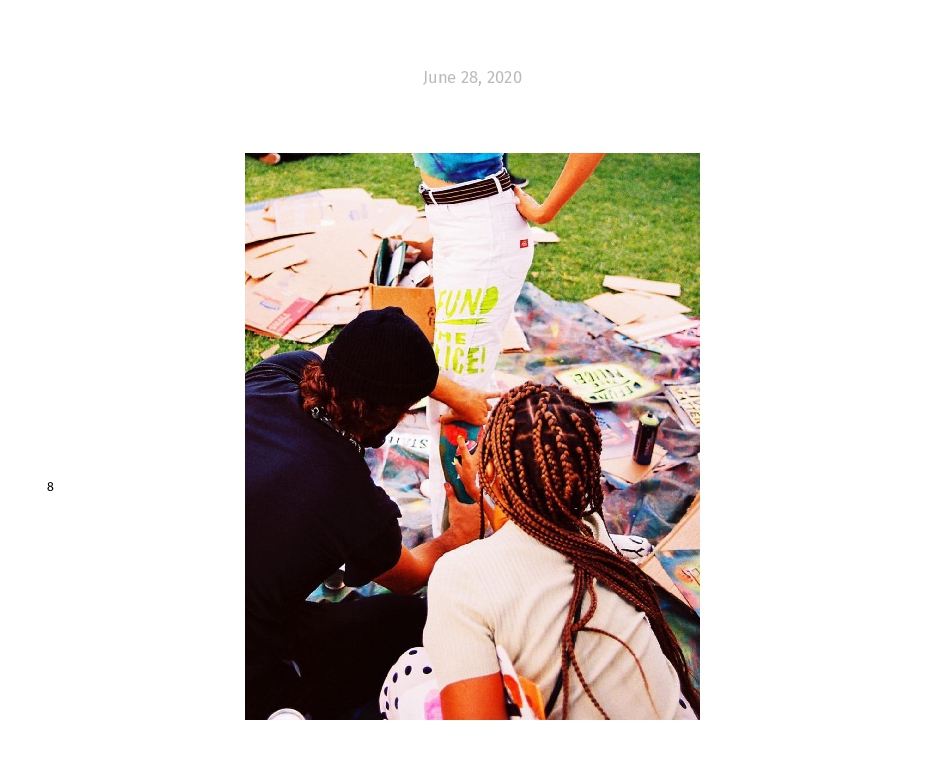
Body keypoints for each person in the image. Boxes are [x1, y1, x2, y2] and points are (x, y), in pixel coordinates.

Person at [383, 381, 700, 720]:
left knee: (411, 673)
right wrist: (489, 493)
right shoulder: (591, 531)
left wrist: (481, 494)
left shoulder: (458, 577)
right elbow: (530, 533)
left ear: (488, 471)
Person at [245, 306, 480, 720]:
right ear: (387, 415)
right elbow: (409, 576)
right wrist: (459, 533)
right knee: (415, 619)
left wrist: (458, 395)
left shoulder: (272, 378)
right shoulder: (347, 495)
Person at [413, 153, 605, 536]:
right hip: (457, 225)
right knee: (456, 391)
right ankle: (463, 506)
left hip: (480, 232)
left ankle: (458, 538)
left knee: (455, 399)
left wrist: (547, 210)